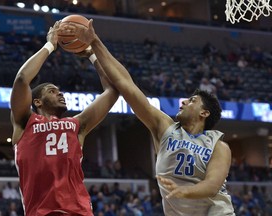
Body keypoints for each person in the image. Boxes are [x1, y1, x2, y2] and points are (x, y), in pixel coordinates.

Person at [60, 20, 236, 215]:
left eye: (192, 101)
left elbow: (212, 185)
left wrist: (185, 191)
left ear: (205, 113)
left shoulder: (218, 145)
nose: (184, 102)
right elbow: (126, 84)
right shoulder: (165, 128)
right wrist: (95, 43)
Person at [10, 21, 119, 215]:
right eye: (52, 91)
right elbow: (21, 79)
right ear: (37, 102)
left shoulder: (77, 124)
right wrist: (50, 45)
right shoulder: (24, 122)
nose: (60, 94)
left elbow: (112, 90)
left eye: (60, 91)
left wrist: (92, 54)